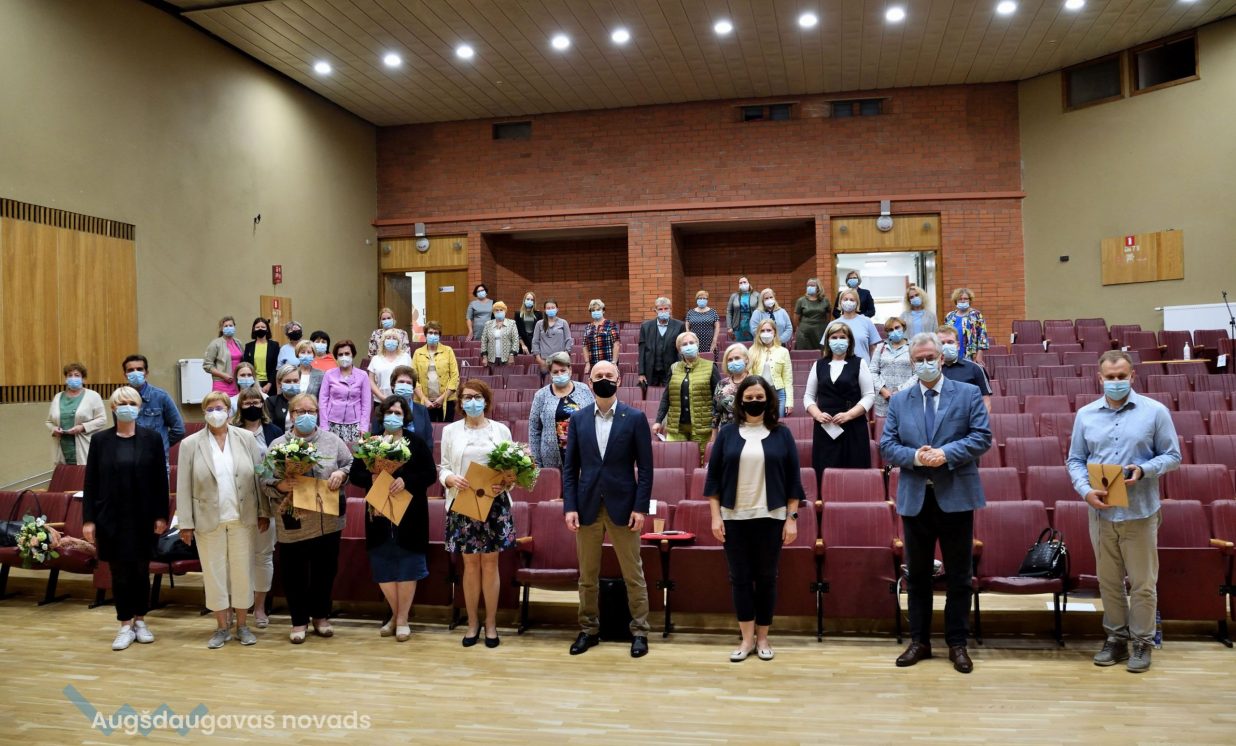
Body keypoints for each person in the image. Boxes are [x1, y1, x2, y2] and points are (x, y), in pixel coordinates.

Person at [880, 332, 992, 675]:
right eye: (919, 359)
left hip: (956, 494)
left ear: (941, 358)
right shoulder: (900, 400)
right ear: (911, 363)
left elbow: (982, 437)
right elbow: (887, 446)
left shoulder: (968, 393)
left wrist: (945, 454)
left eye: (931, 357)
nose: (926, 363)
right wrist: (916, 457)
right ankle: (920, 641)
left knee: (959, 575)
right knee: (917, 576)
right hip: (916, 498)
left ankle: (957, 643)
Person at [1067, 350, 1181, 674]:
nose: (1116, 382)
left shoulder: (1155, 412)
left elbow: (1173, 456)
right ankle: (1116, 638)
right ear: (1099, 378)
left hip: (1140, 512)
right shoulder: (1085, 415)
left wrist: (1143, 470)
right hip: (1102, 513)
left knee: (1143, 583)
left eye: (1121, 376)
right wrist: (1085, 490)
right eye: (1110, 377)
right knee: (1109, 582)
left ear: (1132, 376)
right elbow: (1075, 459)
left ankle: (1142, 642)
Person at [703, 376, 804, 662]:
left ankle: (763, 638)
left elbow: (793, 480)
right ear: (740, 401)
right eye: (749, 397)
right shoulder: (727, 433)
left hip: (771, 518)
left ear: (768, 400)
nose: (754, 401)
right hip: (733, 518)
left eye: (760, 397)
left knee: (767, 578)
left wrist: (792, 518)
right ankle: (746, 639)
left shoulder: (782, 434)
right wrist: (715, 517)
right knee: (740, 579)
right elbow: (713, 480)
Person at [562, 361, 653, 658]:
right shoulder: (578, 419)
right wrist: (570, 506)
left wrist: (640, 508)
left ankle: (639, 631)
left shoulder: (635, 418)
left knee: (633, 573)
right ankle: (588, 629)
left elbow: (646, 469)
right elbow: (570, 469)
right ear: (589, 382)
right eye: (598, 376)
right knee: (587, 576)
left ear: (619, 380)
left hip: (624, 508)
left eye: (608, 376)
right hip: (587, 506)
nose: (604, 379)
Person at [175, 391, 267, 649]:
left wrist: (263, 511)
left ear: (229, 411)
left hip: (242, 517)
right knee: (214, 573)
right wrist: (185, 523)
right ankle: (221, 627)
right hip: (207, 520)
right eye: (210, 409)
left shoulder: (246, 438)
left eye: (219, 408)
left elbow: (258, 477)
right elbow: (183, 485)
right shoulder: (190, 444)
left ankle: (242, 625)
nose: (215, 413)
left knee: (242, 572)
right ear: (204, 413)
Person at [82, 387, 169, 651]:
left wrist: (161, 515)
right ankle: (124, 624)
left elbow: (160, 481)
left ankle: (141, 621)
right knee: (119, 573)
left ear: (139, 407)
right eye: (122, 403)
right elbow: (91, 482)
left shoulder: (152, 438)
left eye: (132, 403)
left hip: (143, 517)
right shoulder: (100, 441)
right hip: (111, 518)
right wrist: (89, 520)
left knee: (141, 570)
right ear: (113, 408)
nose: (127, 407)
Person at [261, 394, 352, 643]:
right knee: (295, 573)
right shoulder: (279, 445)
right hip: (294, 519)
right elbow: (263, 479)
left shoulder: (332, 440)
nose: (306, 415)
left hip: (327, 519)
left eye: (310, 411)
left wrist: (341, 474)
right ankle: (299, 621)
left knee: (325, 571)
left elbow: (349, 464)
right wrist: (280, 485)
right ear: (291, 415)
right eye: (300, 411)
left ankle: (321, 617)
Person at [351, 395, 437, 642]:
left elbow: (430, 474)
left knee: (408, 564)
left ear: (405, 416)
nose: (393, 416)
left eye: (398, 413)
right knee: (383, 565)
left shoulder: (416, 443)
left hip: (411, 514)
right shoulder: (370, 443)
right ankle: (397, 616)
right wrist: (371, 477)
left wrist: (406, 480)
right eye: (389, 412)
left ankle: (401, 620)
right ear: (381, 415)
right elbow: (355, 475)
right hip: (378, 514)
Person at [438, 379, 515, 648]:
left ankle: (491, 624)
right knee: (470, 565)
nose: (472, 401)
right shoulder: (450, 431)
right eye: (467, 397)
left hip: (494, 504)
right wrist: (449, 479)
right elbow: (443, 467)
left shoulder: (501, 430)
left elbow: (511, 471)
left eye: (477, 397)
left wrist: (504, 482)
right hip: (463, 502)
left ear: (486, 400)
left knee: (491, 564)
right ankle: (472, 623)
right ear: (460, 402)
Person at [233, 385, 283, 628]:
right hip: (237, 502)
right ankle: (240, 605)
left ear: (262, 405)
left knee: (263, 556)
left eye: (256, 402)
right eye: (247, 403)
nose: (251, 406)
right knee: (238, 557)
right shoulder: (231, 432)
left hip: (267, 501)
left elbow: (278, 469)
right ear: (240, 406)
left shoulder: (274, 431)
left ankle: (260, 607)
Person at [804, 322, 874, 487]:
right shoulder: (818, 365)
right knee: (826, 473)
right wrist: (817, 414)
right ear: (828, 341)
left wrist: (849, 415)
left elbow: (869, 396)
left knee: (855, 474)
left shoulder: (859, 363)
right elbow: (808, 397)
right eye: (834, 337)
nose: (838, 341)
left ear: (849, 341)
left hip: (854, 426)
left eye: (842, 337)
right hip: (826, 427)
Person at [654, 333, 720, 463]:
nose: (689, 346)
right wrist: (658, 420)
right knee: (674, 460)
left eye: (691, 343)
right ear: (679, 349)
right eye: (684, 344)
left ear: (697, 345)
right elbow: (667, 397)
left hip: (702, 426)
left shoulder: (710, 367)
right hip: (676, 426)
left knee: (701, 462)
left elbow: (717, 399)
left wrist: (715, 426)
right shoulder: (674, 368)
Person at [528, 352, 595, 469]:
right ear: (550, 373)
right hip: (551, 460)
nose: (559, 374)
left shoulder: (583, 389)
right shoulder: (541, 395)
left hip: (582, 457)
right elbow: (534, 430)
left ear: (570, 370)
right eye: (555, 372)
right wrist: (536, 462)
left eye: (563, 370)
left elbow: (594, 420)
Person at [122, 354, 185, 455]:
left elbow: (179, 429)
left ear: (146, 373)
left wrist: (161, 444)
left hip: (156, 457)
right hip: (130, 456)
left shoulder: (161, 396)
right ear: (125, 375)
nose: (135, 373)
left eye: (139, 369)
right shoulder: (120, 399)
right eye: (131, 370)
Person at [47, 362, 107, 466]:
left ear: (83, 379)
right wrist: (53, 429)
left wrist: (83, 427)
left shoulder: (93, 396)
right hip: (62, 449)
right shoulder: (58, 397)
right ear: (66, 379)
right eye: (70, 375)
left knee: (84, 474)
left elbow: (102, 419)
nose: (73, 378)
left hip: (85, 447)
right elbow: (49, 421)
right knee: (64, 475)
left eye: (77, 375)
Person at [320, 339, 372, 444]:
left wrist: (364, 427)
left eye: (347, 353)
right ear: (336, 357)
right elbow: (322, 401)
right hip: (332, 423)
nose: (344, 356)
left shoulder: (363, 375)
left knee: (353, 453)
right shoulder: (329, 374)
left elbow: (366, 404)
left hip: (355, 425)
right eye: (340, 354)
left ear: (353, 354)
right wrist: (324, 425)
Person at [412, 321, 459, 423]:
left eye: (436, 333)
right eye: (430, 333)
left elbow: (455, 377)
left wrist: (442, 398)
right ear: (425, 335)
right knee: (426, 430)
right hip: (424, 401)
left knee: (445, 429)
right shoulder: (418, 353)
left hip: (446, 400)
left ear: (439, 336)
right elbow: (414, 379)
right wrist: (424, 400)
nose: (433, 335)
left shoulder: (448, 351)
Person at [935, 326, 993, 407]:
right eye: (942, 343)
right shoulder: (932, 370)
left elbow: (986, 401)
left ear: (958, 345)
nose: (946, 346)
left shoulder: (975, 368)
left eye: (950, 342)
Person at [748, 319, 794, 417]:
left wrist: (789, 402)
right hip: (758, 393)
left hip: (778, 394)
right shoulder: (752, 350)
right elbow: (749, 375)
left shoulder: (783, 351)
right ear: (758, 333)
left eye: (769, 330)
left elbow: (788, 379)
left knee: (778, 423)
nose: (766, 333)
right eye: (762, 331)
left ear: (775, 332)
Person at [382, 365, 434, 451]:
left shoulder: (422, 410)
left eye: (409, 383)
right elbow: (376, 438)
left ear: (413, 388)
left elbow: (428, 441)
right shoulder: (383, 409)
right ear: (393, 385)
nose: (404, 385)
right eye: (401, 382)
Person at [638, 297, 686, 388]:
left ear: (670, 309)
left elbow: (681, 350)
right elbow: (642, 351)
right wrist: (641, 373)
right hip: (650, 370)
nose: (663, 311)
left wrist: (679, 370)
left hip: (671, 370)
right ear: (655, 310)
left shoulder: (679, 325)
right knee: (651, 395)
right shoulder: (646, 326)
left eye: (666, 308)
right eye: (660, 309)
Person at [871, 317, 913, 418]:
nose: (894, 331)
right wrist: (883, 390)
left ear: (903, 327)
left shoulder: (913, 347)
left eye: (897, 327)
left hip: (907, 399)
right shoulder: (881, 347)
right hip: (883, 402)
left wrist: (900, 391)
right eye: (890, 330)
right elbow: (872, 371)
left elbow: (917, 374)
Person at [942, 287, 989, 365]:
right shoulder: (950, 316)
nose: (963, 301)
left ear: (970, 300)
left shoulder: (976, 315)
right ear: (956, 301)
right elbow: (944, 335)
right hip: (951, 354)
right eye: (960, 299)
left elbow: (982, 336)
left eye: (965, 299)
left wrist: (979, 355)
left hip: (970, 355)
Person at [833, 288, 881, 361]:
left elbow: (873, 348)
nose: (848, 302)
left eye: (852, 300)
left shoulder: (866, 322)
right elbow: (827, 350)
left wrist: (872, 367)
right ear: (840, 302)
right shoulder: (833, 324)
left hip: (864, 365)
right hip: (840, 366)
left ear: (857, 303)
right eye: (845, 299)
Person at [713, 343, 752, 434]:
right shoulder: (722, 384)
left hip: (749, 433)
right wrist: (714, 436)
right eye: (730, 360)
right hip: (726, 434)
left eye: (737, 358)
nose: (733, 362)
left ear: (746, 359)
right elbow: (716, 413)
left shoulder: (756, 382)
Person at [203, 315, 243, 397]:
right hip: (221, 383)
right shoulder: (215, 343)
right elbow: (207, 365)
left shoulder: (238, 343)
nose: (229, 327)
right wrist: (223, 375)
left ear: (234, 327)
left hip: (237, 383)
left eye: (231, 325)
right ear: (221, 328)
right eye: (226, 326)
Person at [368, 330, 414, 402]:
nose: (391, 340)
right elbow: (371, 380)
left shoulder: (406, 357)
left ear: (398, 342)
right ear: (383, 341)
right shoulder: (376, 359)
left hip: (403, 400)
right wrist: (381, 397)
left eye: (394, 338)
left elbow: (412, 378)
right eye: (388, 338)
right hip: (380, 401)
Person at [531, 299, 573, 375]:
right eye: (548, 308)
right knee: (546, 381)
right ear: (545, 310)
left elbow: (568, 340)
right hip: (545, 361)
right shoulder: (539, 324)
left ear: (557, 309)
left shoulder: (563, 322)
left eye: (553, 308)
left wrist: (565, 355)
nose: (551, 310)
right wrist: (539, 360)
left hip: (560, 360)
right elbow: (535, 342)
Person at [582, 299, 621, 375]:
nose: (595, 312)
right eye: (593, 310)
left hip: (608, 363)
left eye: (598, 310)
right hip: (594, 365)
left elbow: (616, 344)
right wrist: (587, 363)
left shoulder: (610, 324)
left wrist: (614, 362)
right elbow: (584, 346)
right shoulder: (588, 327)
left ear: (603, 311)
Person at [242, 317, 279, 395]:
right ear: (253, 329)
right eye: (257, 327)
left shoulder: (274, 345)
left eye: (263, 327)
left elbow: (275, 366)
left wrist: (269, 384)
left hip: (270, 384)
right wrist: (255, 384)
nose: (260, 329)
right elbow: (246, 365)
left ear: (267, 329)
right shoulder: (249, 346)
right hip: (252, 383)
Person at [480, 301, 523, 368]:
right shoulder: (488, 324)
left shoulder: (512, 323)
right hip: (491, 359)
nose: (499, 312)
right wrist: (484, 357)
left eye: (501, 310)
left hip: (507, 359)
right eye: (496, 310)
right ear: (493, 312)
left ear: (505, 311)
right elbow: (484, 341)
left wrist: (512, 355)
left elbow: (515, 340)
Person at [794, 277, 831, 351]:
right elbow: (796, 318)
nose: (809, 287)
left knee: (821, 352)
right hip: (804, 332)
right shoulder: (801, 300)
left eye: (812, 285)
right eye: (808, 285)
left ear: (818, 287)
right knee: (804, 353)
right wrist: (800, 328)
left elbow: (828, 317)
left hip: (820, 331)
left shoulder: (825, 300)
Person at [266, 364, 301, 432]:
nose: (292, 384)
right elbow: (269, 427)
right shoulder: (271, 402)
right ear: (279, 383)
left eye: (295, 381)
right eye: (287, 381)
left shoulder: (306, 401)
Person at [685, 290, 721, 354]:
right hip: (694, 342)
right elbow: (687, 325)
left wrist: (714, 340)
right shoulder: (690, 312)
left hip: (709, 342)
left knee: (708, 358)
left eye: (704, 298)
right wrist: (688, 336)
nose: (702, 300)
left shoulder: (713, 312)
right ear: (696, 299)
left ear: (707, 300)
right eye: (700, 298)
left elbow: (717, 326)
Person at [726, 276, 756, 343]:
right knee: (739, 346)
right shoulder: (734, 296)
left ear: (749, 283)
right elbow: (729, 312)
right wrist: (729, 327)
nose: (743, 284)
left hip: (752, 325)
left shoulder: (756, 295)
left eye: (745, 282)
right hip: (738, 326)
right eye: (740, 283)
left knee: (752, 345)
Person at [515, 291, 543, 356]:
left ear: (534, 302)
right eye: (528, 299)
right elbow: (516, 331)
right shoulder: (518, 314)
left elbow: (541, 331)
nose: (529, 301)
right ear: (524, 300)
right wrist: (523, 345)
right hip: (522, 342)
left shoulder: (538, 314)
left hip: (535, 342)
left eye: (531, 300)